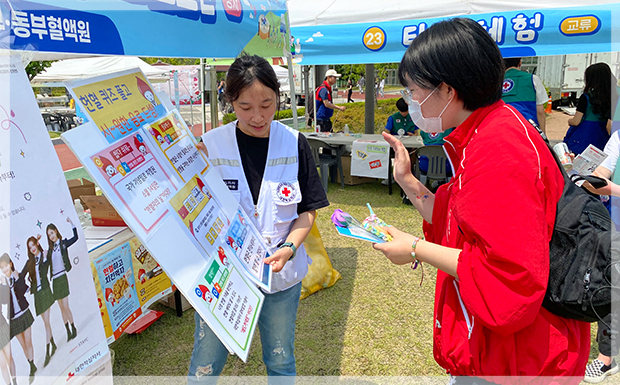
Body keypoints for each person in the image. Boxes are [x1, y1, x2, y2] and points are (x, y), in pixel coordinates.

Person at [375, 18, 589, 384]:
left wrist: (414, 248)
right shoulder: (487, 131)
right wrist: (408, 182)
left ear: (446, 89)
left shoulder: (499, 148)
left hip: (517, 361)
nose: (410, 100)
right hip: (504, 356)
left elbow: (508, 273)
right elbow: (456, 221)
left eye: (413, 90)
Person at [189, 53, 329, 382]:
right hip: (222, 279)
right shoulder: (210, 146)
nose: (257, 116)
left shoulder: (295, 143)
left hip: (281, 278)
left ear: (278, 97)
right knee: (205, 366)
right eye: (245, 107)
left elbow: (306, 211)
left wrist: (290, 247)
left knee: (280, 360)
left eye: (266, 104)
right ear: (230, 102)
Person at [1, 253, 37, 382]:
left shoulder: (16, 276)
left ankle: (32, 367)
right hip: (13, 319)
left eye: (6, 266)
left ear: (10, 264)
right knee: (23, 345)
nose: (5, 269)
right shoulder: (3, 284)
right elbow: (4, 303)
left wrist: (17, 277)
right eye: (2, 268)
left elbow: (23, 290)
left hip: (24, 312)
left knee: (28, 341)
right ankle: (30, 363)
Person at [564, 62, 613, 155]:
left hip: (583, 142)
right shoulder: (613, 97)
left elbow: (576, 121)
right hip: (602, 141)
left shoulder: (586, 97)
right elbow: (609, 125)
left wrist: (569, 121)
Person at [24, 235, 57, 367]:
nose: (32, 248)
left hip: (45, 291)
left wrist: (42, 251)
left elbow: (46, 268)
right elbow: (21, 276)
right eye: (29, 247)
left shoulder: (44, 255)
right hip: (37, 294)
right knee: (45, 321)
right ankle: (53, 343)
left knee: (46, 322)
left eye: (33, 245)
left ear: (37, 244)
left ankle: (48, 350)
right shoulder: (30, 262)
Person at [46, 217, 79, 342]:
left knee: (66, 305)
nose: (51, 236)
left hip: (62, 277)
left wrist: (72, 224)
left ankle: (73, 327)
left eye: (52, 233)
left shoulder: (63, 243)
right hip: (55, 280)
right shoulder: (49, 250)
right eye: (49, 235)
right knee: (61, 308)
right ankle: (68, 332)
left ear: (56, 231)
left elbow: (75, 238)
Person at [501, 57, 549, 133]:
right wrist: (543, 137)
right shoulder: (532, 79)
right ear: (520, 63)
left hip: (503, 129)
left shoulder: (496, 82)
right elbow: (540, 112)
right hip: (527, 129)